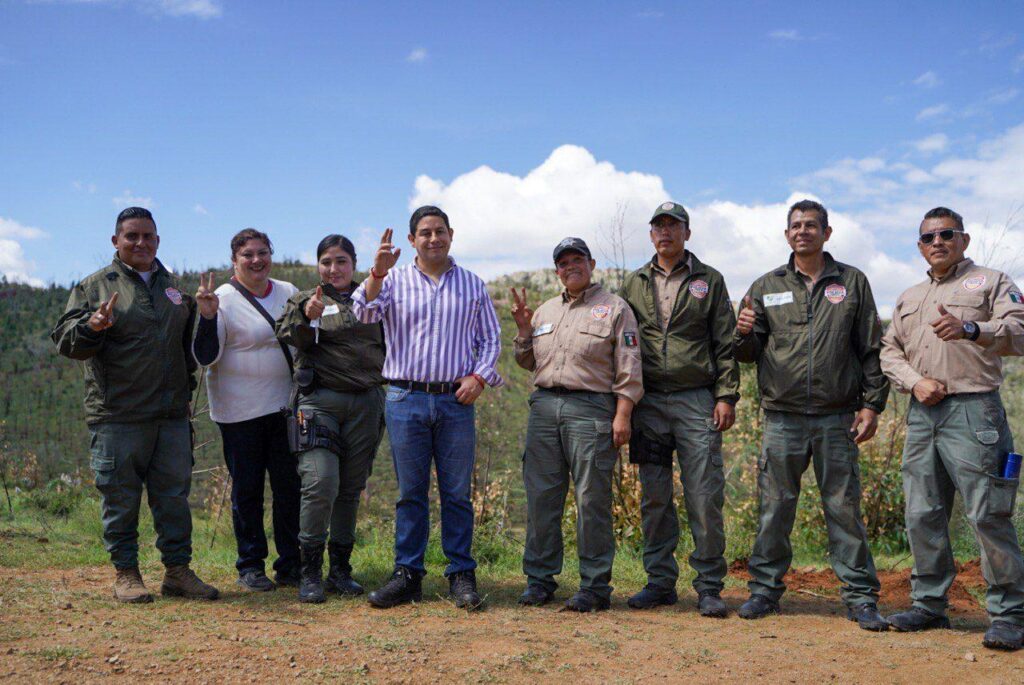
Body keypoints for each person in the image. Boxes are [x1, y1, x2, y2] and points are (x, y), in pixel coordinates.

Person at [733, 198, 889, 630]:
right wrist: (742, 331)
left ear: (827, 232)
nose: (803, 231)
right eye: (796, 226)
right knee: (775, 507)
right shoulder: (766, 285)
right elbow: (746, 354)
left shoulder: (852, 282)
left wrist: (871, 404)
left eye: (811, 225)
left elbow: (871, 349)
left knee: (843, 507)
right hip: (781, 418)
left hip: (837, 417)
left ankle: (860, 598)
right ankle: (764, 592)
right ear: (787, 235)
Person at [51, 206, 219, 603]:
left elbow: (189, 351)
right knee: (120, 498)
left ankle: (177, 573)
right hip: (118, 416)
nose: (140, 243)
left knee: (173, 498)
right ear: (116, 241)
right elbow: (65, 341)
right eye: (132, 236)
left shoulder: (175, 290)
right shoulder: (94, 287)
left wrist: (208, 318)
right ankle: (126, 574)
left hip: (170, 416)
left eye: (148, 236)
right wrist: (91, 326)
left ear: (158, 240)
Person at [880, 207, 1024, 650]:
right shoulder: (909, 296)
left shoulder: (992, 281)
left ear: (963, 239)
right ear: (920, 247)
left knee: (987, 513)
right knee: (922, 512)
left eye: (946, 234)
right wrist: (914, 381)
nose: (937, 242)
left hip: (974, 413)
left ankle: (1009, 613)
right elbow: (890, 352)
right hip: (923, 415)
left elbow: (1020, 332)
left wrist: (970, 328)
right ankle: (928, 604)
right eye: (928, 237)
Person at [351, 206, 502, 610]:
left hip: (455, 400)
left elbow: (491, 339)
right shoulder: (393, 281)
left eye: (439, 231)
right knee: (410, 494)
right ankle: (408, 575)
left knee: (456, 493)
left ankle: (461, 574)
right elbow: (361, 312)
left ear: (451, 234)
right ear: (411, 238)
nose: (433, 239)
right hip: (405, 398)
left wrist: (479, 376)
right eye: (424, 233)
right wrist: (377, 273)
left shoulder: (472, 285)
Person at [512, 237, 644, 612]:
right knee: (541, 498)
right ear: (557, 271)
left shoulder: (615, 308)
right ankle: (539, 581)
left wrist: (623, 414)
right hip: (544, 409)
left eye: (577, 259)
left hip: (592, 411)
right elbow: (528, 361)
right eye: (564, 262)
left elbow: (629, 365)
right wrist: (523, 329)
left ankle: (595, 586)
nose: (571, 266)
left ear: (591, 263)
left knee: (591, 500)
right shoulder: (544, 310)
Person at [619, 202, 738, 616]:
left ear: (687, 233)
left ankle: (708, 586)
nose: (665, 232)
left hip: (696, 399)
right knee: (654, 496)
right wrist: (622, 401)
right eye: (658, 226)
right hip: (648, 403)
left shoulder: (710, 280)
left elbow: (726, 341)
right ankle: (659, 582)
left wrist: (726, 396)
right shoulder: (633, 282)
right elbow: (621, 343)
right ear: (651, 234)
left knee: (704, 494)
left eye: (673, 226)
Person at [276, 234, 386, 603]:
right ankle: (310, 572)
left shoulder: (373, 298)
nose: (333, 268)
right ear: (317, 265)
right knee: (321, 483)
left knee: (350, 489)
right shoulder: (305, 300)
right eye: (326, 261)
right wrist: (307, 318)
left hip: (366, 403)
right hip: (318, 402)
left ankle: (341, 570)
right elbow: (288, 335)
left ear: (353, 264)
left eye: (341, 261)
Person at [192, 228, 301, 592]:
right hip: (239, 413)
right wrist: (207, 317)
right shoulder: (221, 298)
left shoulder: (287, 292)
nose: (257, 261)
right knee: (248, 491)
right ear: (234, 261)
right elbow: (206, 356)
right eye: (248, 255)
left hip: (283, 408)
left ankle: (291, 564)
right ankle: (251, 565)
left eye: (263, 253)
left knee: (289, 488)